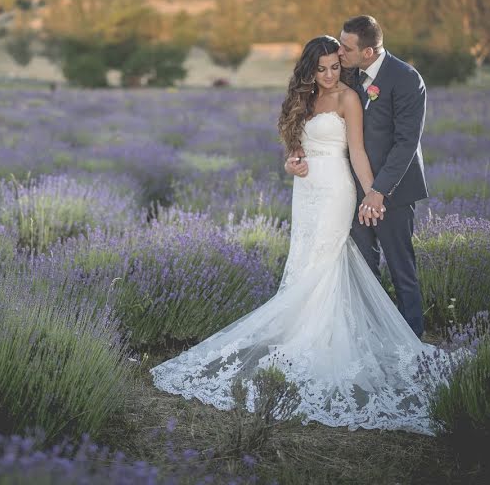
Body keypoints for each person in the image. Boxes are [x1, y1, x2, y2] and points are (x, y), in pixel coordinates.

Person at [150, 35, 448, 435]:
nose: (328, 75)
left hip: (336, 189)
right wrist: (292, 165)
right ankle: (299, 334)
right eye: (321, 68)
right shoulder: (301, 99)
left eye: (335, 67)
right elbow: (295, 150)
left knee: (327, 260)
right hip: (305, 192)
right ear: (308, 69)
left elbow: (357, 151)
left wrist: (374, 195)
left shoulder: (348, 98)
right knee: (304, 258)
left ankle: (323, 342)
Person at [288, 16, 428, 338]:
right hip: (349, 190)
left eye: (346, 48)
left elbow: (406, 143)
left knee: (401, 270)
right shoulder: (347, 71)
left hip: (392, 191)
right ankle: (370, 335)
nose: (339, 53)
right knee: (363, 268)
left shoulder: (406, 79)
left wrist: (378, 191)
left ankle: (412, 343)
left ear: (367, 52)